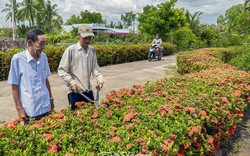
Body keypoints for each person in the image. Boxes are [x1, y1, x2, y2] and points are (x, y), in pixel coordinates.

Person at [7, 28, 54, 124]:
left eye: (45, 43)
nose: (43, 47)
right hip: (31, 111)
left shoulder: (43, 57)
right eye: (41, 43)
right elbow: (14, 86)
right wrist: (19, 109)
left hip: (46, 107)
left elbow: (46, 80)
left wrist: (51, 99)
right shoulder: (18, 59)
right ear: (30, 43)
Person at [58, 24, 104, 110]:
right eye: (85, 38)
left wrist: (100, 80)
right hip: (76, 92)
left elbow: (95, 69)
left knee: (91, 117)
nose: (87, 40)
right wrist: (71, 83)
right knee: (77, 120)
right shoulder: (71, 50)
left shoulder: (92, 51)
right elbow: (62, 70)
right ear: (78, 35)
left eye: (89, 38)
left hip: (88, 92)